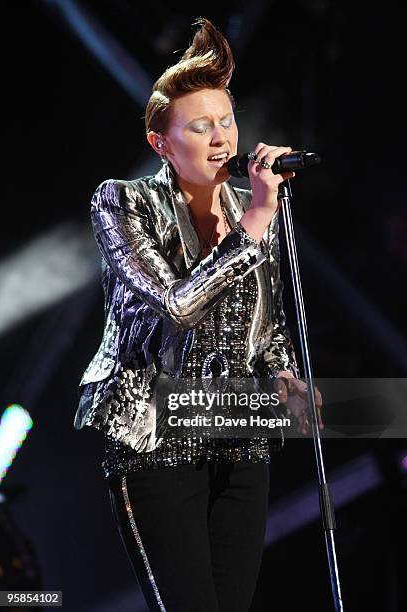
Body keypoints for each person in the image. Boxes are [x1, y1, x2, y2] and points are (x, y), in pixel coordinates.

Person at [74, 17, 323, 612]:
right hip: (154, 438)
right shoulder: (123, 202)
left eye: (227, 121)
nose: (221, 138)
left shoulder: (248, 205)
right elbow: (177, 306)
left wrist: (286, 376)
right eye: (200, 126)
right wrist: (257, 223)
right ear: (161, 142)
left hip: (239, 432)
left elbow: (267, 321)